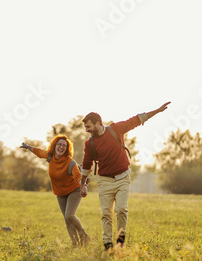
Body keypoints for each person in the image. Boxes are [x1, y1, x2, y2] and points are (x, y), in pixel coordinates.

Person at [80, 102, 171, 250]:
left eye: (89, 127)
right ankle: (108, 245)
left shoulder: (116, 129)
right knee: (106, 214)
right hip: (104, 181)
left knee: (121, 209)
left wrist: (157, 111)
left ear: (98, 123)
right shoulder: (89, 143)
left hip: (123, 178)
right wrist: (83, 184)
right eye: (85, 127)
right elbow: (86, 165)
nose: (87, 130)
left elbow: (136, 120)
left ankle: (120, 242)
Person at [21, 135, 90, 248]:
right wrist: (28, 147)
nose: (61, 147)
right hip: (61, 193)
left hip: (74, 190)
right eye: (59, 144)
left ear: (67, 149)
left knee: (69, 215)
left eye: (64, 145)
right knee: (67, 219)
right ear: (54, 146)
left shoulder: (70, 163)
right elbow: (39, 152)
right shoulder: (50, 157)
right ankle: (75, 243)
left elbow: (78, 176)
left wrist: (84, 186)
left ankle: (83, 235)